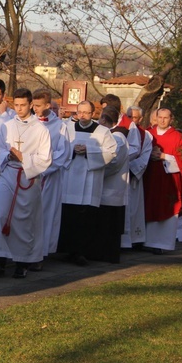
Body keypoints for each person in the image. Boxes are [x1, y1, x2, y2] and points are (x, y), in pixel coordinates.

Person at [0, 88, 52, 279]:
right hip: (8, 173)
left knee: (23, 221)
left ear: (31, 105)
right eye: (16, 105)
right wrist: (8, 155)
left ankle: (22, 262)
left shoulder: (41, 130)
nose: (19, 109)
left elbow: (45, 159)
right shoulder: (6, 125)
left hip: (28, 178)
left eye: (23, 105)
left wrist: (25, 158)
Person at [59, 100, 117, 266]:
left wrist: (88, 151)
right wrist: (71, 150)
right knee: (69, 215)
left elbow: (111, 152)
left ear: (93, 114)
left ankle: (82, 252)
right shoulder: (67, 128)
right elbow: (58, 148)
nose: (82, 115)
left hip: (90, 180)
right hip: (69, 179)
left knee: (85, 218)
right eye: (80, 112)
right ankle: (67, 250)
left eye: (86, 112)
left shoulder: (103, 131)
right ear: (76, 113)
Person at [32, 89, 71, 268]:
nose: (34, 108)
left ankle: (40, 254)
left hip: (49, 177)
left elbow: (63, 154)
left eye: (38, 105)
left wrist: (44, 168)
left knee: (46, 216)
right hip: (29, 176)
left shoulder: (60, 126)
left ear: (48, 106)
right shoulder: (29, 123)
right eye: (33, 104)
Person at [143, 108, 182, 253]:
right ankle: (146, 241)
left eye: (165, 118)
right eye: (159, 117)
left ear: (171, 119)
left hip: (169, 181)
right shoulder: (148, 134)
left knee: (167, 209)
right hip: (149, 178)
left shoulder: (178, 137)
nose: (162, 120)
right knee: (149, 206)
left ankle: (162, 244)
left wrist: (164, 157)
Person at [93, 106, 129, 263]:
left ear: (103, 120)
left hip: (111, 190)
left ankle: (107, 255)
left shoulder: (117, 138)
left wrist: (95, 171)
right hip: (110, 190)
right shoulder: (115, 136)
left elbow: (113, 162)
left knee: (109, 226)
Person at [122, 106, 152, 248]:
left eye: (134, 117)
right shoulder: (121, 129)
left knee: (133, 209)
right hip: (119, 176)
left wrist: (131, 169)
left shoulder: (146, 135)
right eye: (129, 116)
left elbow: (145, 155)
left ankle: (133, 240)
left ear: (140, 119)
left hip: (133, 177)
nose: (131, 119)